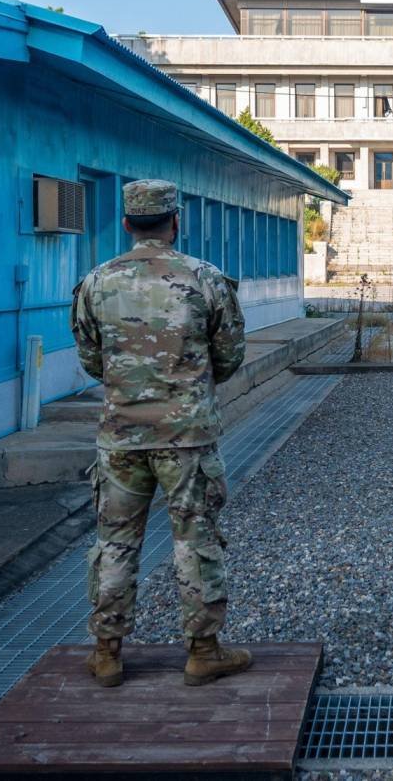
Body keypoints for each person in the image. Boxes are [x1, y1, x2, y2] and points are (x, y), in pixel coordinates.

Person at [70, 178, 249, 688]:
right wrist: (186, 383)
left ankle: (107, 652)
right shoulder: (204, 279)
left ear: (127, 223)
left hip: (121, 437)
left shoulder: (97, 282)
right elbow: (230, 356)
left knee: (115, 542)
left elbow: (91, 359)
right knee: (195, 540)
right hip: (187, 436)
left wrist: (131, 385)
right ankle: (203, 651)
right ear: (175, 222)